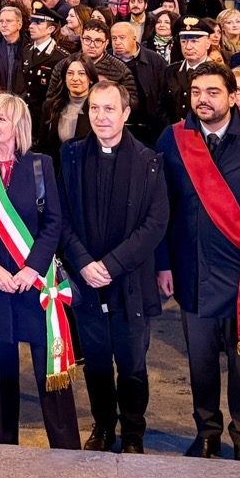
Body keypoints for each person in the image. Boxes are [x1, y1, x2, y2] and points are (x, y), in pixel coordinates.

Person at [156, 63, 240, 461]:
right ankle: (207, 432)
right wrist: (163, 264)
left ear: (233, 97)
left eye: (213, 92)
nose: (203, 100)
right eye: (196, 91)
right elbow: (161, 209)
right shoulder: (173, 140)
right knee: (200, 363)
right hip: (192, 271)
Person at [0, 93, 81, 448]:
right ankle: (5, 450)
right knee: (1, 371)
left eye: (3, 119)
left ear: (19, 126)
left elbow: (53, 224)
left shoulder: (40, 165)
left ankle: (66, 449)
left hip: (36, 282)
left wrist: (32, 269)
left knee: (50, 370)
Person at [59, 80, 169, 453]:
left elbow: (156, 222)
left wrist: (112, 264)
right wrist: (83, 263)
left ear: (125, 113)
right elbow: (62, 218)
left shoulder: (149, 161)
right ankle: (103, 426)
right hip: (87, 279)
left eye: (109, 109)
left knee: (132, 363)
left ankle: (134, 432)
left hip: (130, 281)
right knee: (96, 363)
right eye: (94, 108)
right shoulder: (71, 156)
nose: (101, 116)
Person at [109, 23, 169, 147]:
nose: (117, 42)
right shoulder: (106, 60)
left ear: (134, 38)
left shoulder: (155, 60)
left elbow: (164, 95)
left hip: (149, 130)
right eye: (114, 38)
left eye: (122, 38)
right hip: (114, 128)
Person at [39, 55, 97, 165]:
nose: (75, 78)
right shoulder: (50, 106)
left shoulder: (98, 109)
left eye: (81, 74)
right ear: (64, 78)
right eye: (70, 73)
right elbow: (43, 148)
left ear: (90, 78)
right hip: (56, 170)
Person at [22, 6, 69, 127]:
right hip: (24, 115)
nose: (31, 26)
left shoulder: (60, 56)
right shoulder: (26, 50)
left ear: (51, 29)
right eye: (32, 22)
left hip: (45, 118)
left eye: (38, 23)